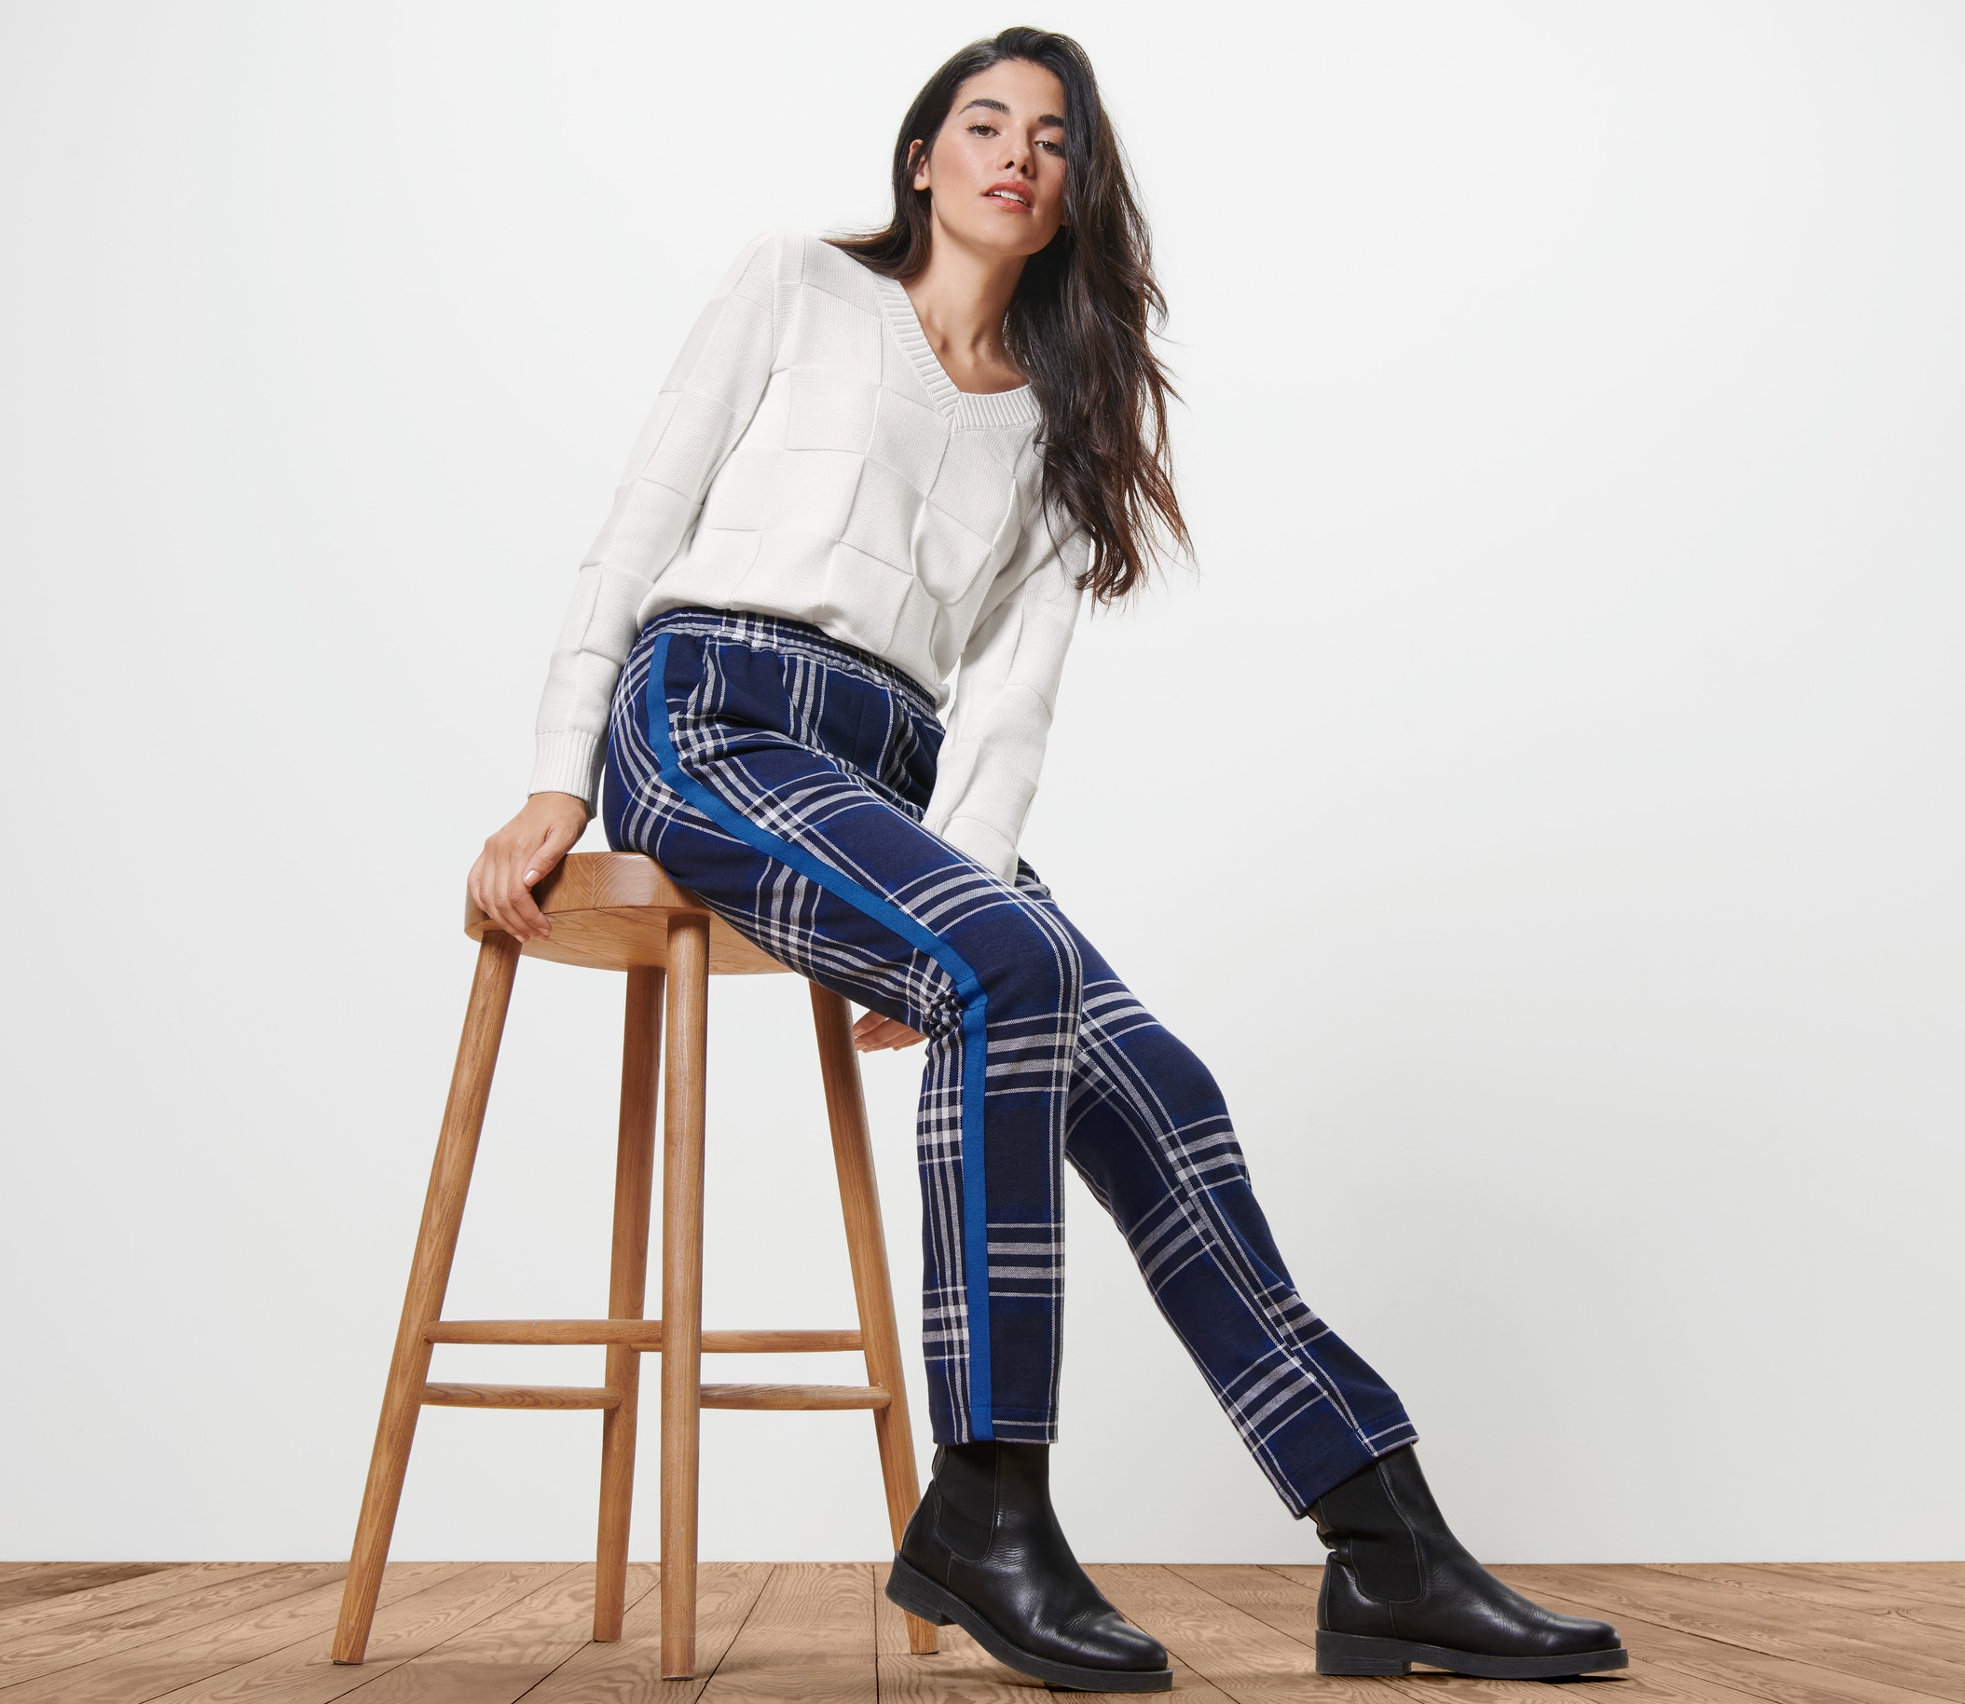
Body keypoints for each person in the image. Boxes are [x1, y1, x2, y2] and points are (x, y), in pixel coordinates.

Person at [467, 25, 1626, 1693]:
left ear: (1077, 192)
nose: (1018, 152)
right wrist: (553, 774)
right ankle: (988, 1504)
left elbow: (1008, 703)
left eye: (1054, 138)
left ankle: (1385, 1541)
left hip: (892, 775)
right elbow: (636, 525)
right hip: (710, 719)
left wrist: (957, 900)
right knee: (1005, 969)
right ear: (922, 156)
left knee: (1162, 1086)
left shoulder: (1067, 418)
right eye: (984, 122)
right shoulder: (794, 286)